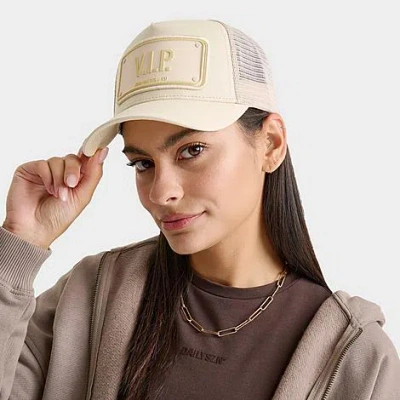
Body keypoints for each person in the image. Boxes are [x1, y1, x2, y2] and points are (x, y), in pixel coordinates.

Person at [0, 18, 399, 400]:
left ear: (271, 144)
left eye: (192, 150)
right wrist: (21, 242)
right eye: (143, 163)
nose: (161, 193)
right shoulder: (89, 296)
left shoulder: (358, 358)